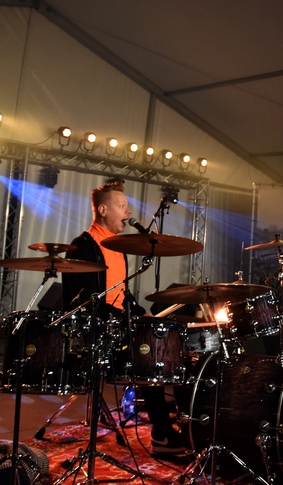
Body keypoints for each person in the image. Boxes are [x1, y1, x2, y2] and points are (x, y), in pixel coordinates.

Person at [61, 181, 184, 454]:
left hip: (119, 323)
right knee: (150, 353)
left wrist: (140, 314)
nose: (128, 211)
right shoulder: (83, 247)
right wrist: (127, 319)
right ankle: (162, 432)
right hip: (97, 330)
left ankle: (184, 424)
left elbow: (121, 293)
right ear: (103, 210)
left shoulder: (118, 247)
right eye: (122, 206)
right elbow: (88, 300)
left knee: (169, 343)